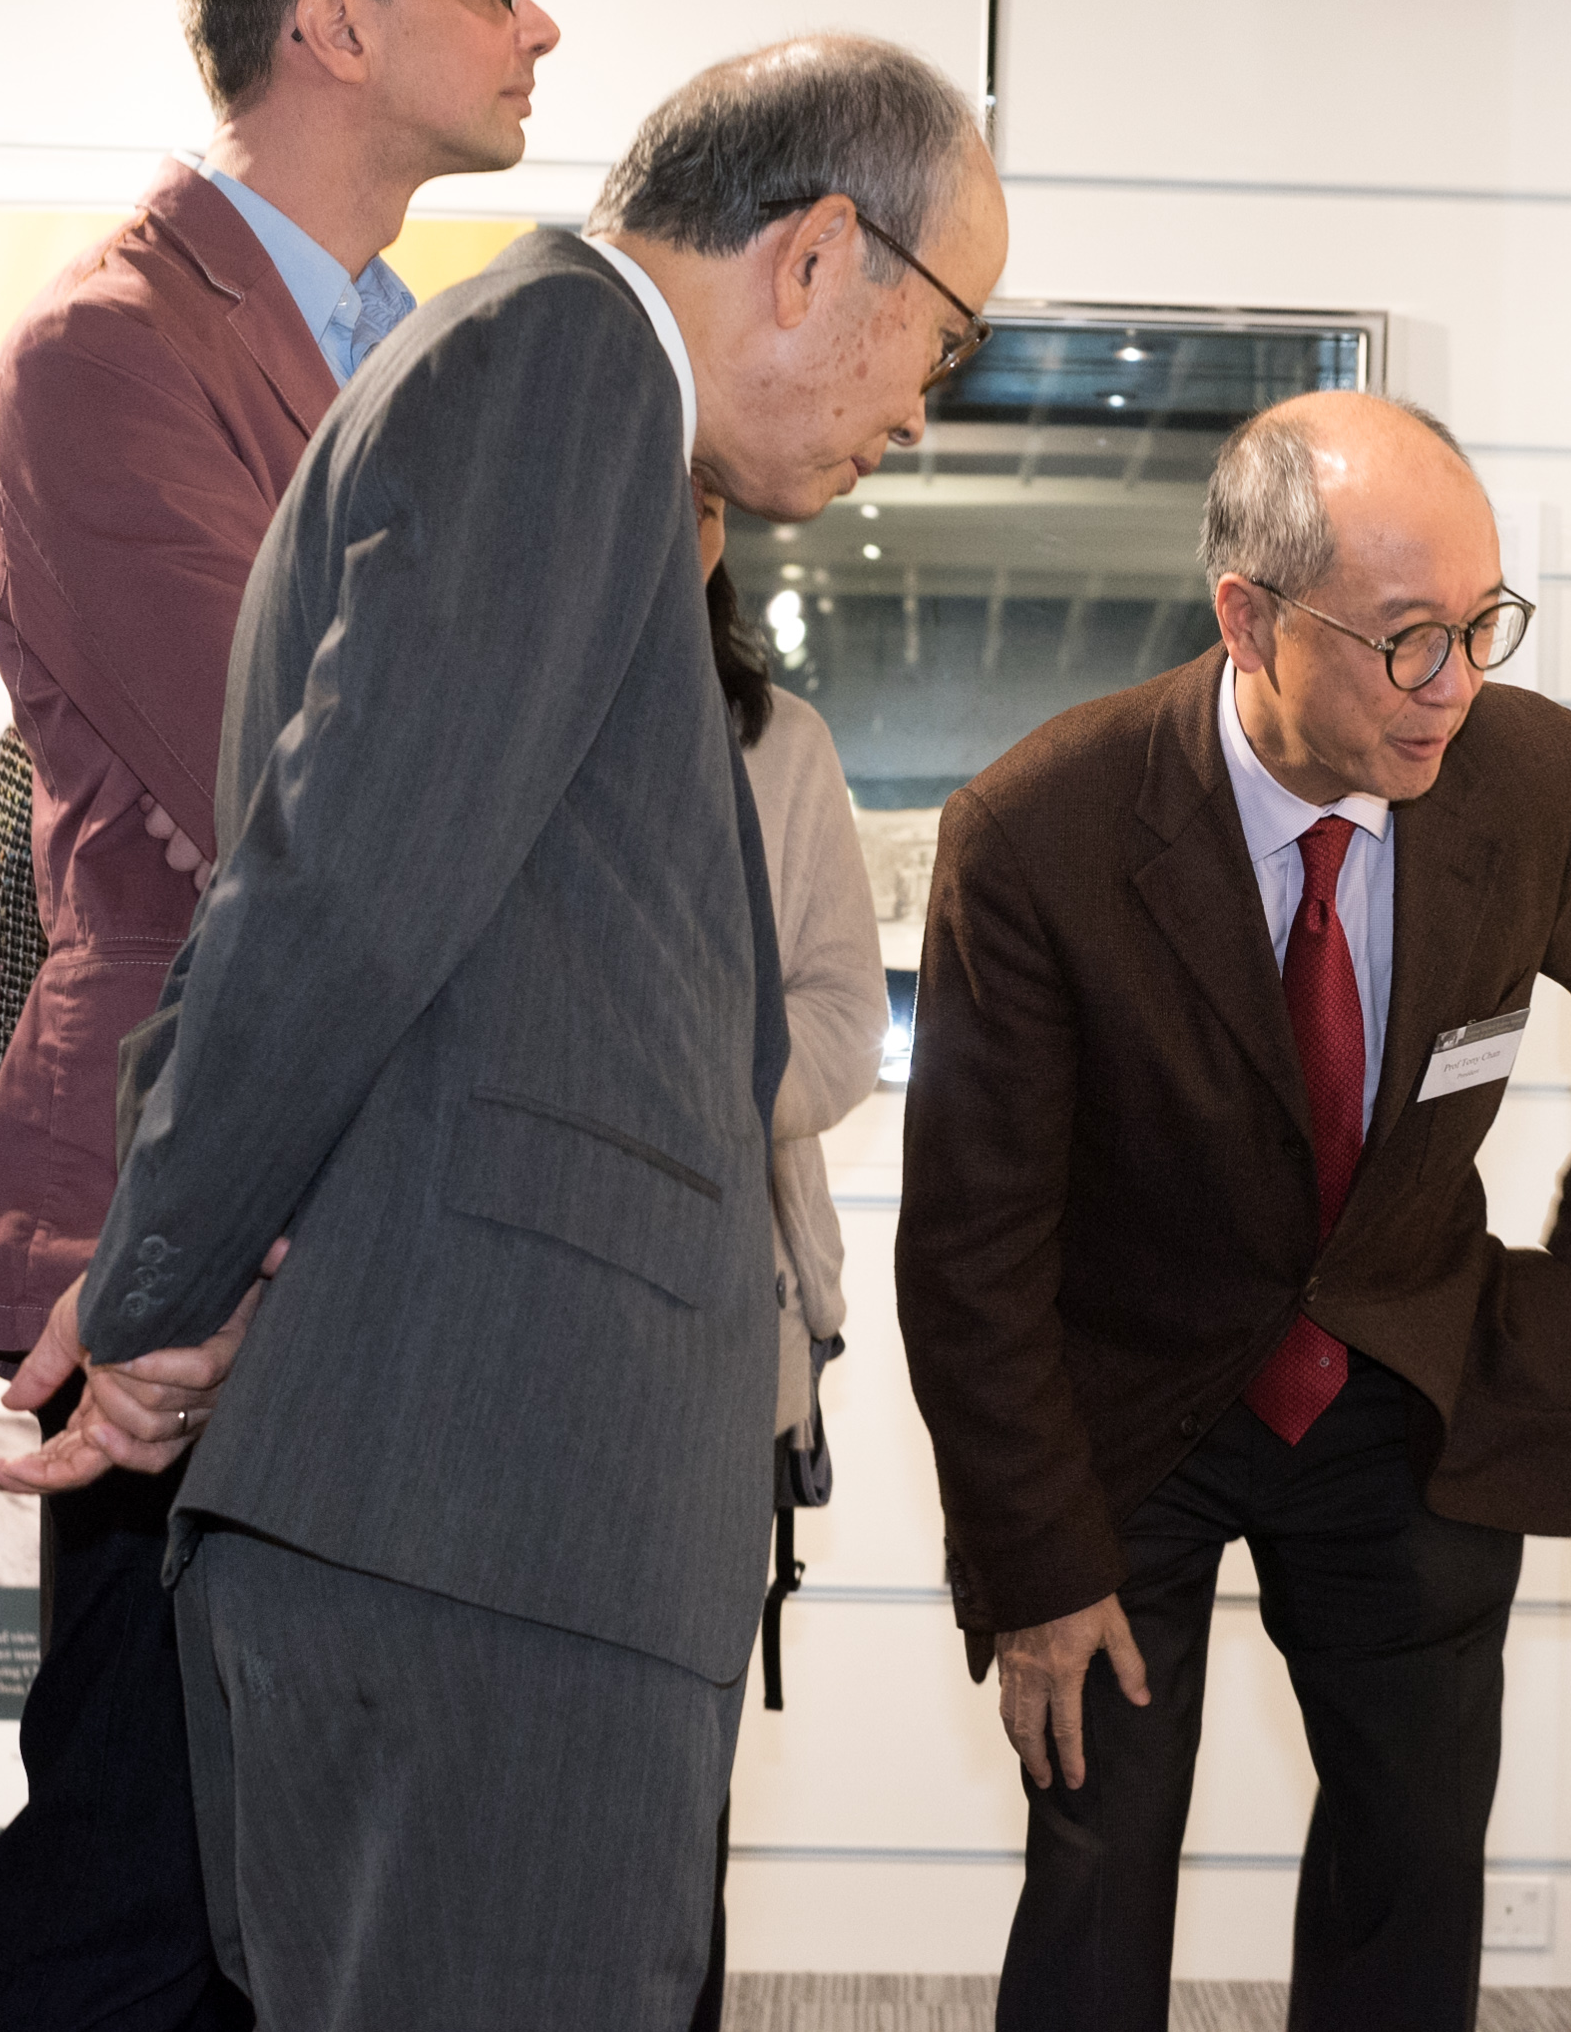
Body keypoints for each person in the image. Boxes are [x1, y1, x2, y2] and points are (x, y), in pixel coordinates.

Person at [11, 34, 1007, 2028]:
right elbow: (334, 884)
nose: (920, 409)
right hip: (488, 1507)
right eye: (940, 339)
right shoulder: (567, 368)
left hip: (505, 1505)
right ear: (816, 254)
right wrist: (156, 1292)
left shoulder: (587, 410)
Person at [896, 391, 1571, 2031]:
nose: (1457, 688)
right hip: (1123, 1415)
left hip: (1399, 1383)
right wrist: (1038, 1565)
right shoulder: (1038, 835)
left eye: (1484, 626)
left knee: (1413, 1866)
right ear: (1252, 618)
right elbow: (972, 1252)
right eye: (1408, 639)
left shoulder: (1521, 775)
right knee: (1100, 1858)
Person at [0, 0, 562, 2031]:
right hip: (202, 1217)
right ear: (334, 20)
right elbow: (302, 798)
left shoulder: (422, 351)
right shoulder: (113, 347)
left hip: (392, 1227)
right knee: (145, 1885)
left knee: (326, 1904)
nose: (537, 21)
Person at [687, 491, 888, 2031]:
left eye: (701, 503)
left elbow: (839, 1025)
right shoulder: (471, 687)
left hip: (717, 1326)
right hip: (495, 1333)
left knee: (679, 1791)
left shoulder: (779, 745)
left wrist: (665, 1080)